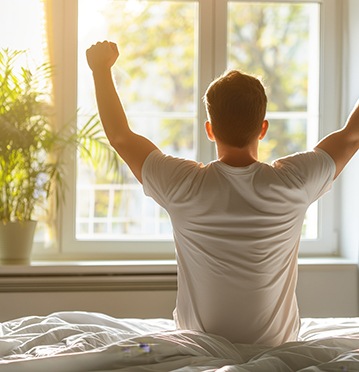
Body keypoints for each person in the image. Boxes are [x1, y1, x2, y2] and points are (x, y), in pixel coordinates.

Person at [86, 40, 359, 346]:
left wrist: (100, 69)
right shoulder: (293, 182)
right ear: (263, 128)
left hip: (199, 348)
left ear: (210, 129)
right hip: (275, 347)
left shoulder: (183, 184)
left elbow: (121, 137)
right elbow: (352, 135)